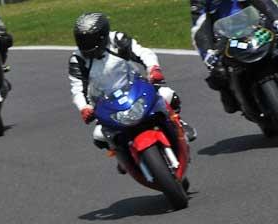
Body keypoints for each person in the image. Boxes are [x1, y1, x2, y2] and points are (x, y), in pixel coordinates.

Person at [69, 12, 196, 160]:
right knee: (99, 136)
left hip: (135, 89)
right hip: (105, 104)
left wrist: (153, 69)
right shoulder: (77, 59)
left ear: (102, 35)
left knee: (167, 94)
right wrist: (84, 107)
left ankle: (178, 122)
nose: (86, 45)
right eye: (82, 40)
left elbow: (143, 53)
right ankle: (122, 155)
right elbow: (77, 88)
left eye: (89, 40)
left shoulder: (117, 40)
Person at [190, 0, 278, 113]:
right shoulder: (199, 2)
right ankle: (229, 94)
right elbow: (199, 27)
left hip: (256, 27)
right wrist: (208, 54)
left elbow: (264, 2)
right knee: (219, 72)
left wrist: (275, 18)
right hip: (226, 37)